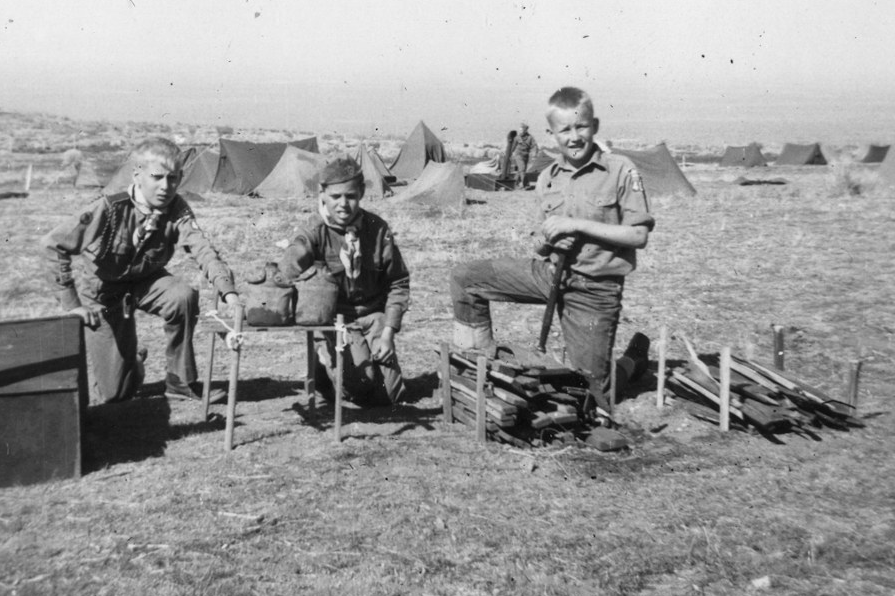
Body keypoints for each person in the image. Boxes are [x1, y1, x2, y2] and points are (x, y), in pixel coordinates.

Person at [450, 87, 654, 415]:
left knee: (588, 401)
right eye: (565, 130)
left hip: (594, 291)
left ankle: (631, 362)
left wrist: (577, 227)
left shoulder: (620, 170)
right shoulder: (547, 177)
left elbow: (638, 234)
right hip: (550, 276)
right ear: (552, 134)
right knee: (465, 278)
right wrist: (547, 242)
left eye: (581, 126)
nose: (574, 137)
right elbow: (538, 242)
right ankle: (479, 368)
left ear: (595, 125)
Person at [42, 137, 240, 403]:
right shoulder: (110, 207)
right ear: (137, 175)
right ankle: (132, 360)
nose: (166, 187)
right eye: (157, 177)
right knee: (115, 395)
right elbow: (53, 245)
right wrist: (71, 303)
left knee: (182, 296)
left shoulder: (177, 208)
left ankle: (179, 381)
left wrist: (228, 291)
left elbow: (202, 248)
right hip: (104, 292)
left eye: (173, 178)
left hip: (148, 282)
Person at [278, 155, 410, 408]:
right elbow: (287, 272)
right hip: (336, 321)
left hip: (373, 317)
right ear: (323, 195)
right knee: (359, 388)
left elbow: (398, 283)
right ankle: (323, 367)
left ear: (361, 193)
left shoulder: (377, 229)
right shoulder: (313, 232)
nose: (343, 204)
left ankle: (345, 370)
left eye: (350, 196)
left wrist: (388, 334)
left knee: (390, 395)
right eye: (336, 197)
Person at [509, 122, 538, 188]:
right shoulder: (517, 138)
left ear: (525, 130)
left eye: (522, 130)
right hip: (518, 155)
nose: (520, 131)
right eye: (520, 130)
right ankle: (526, 184)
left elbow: (534, 146)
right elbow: (513, 147)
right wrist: (510, 154)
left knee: (521, 170)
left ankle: (514, 183)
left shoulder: (530, 137)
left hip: (526, 156)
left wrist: (534, 153)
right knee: (522, 169)